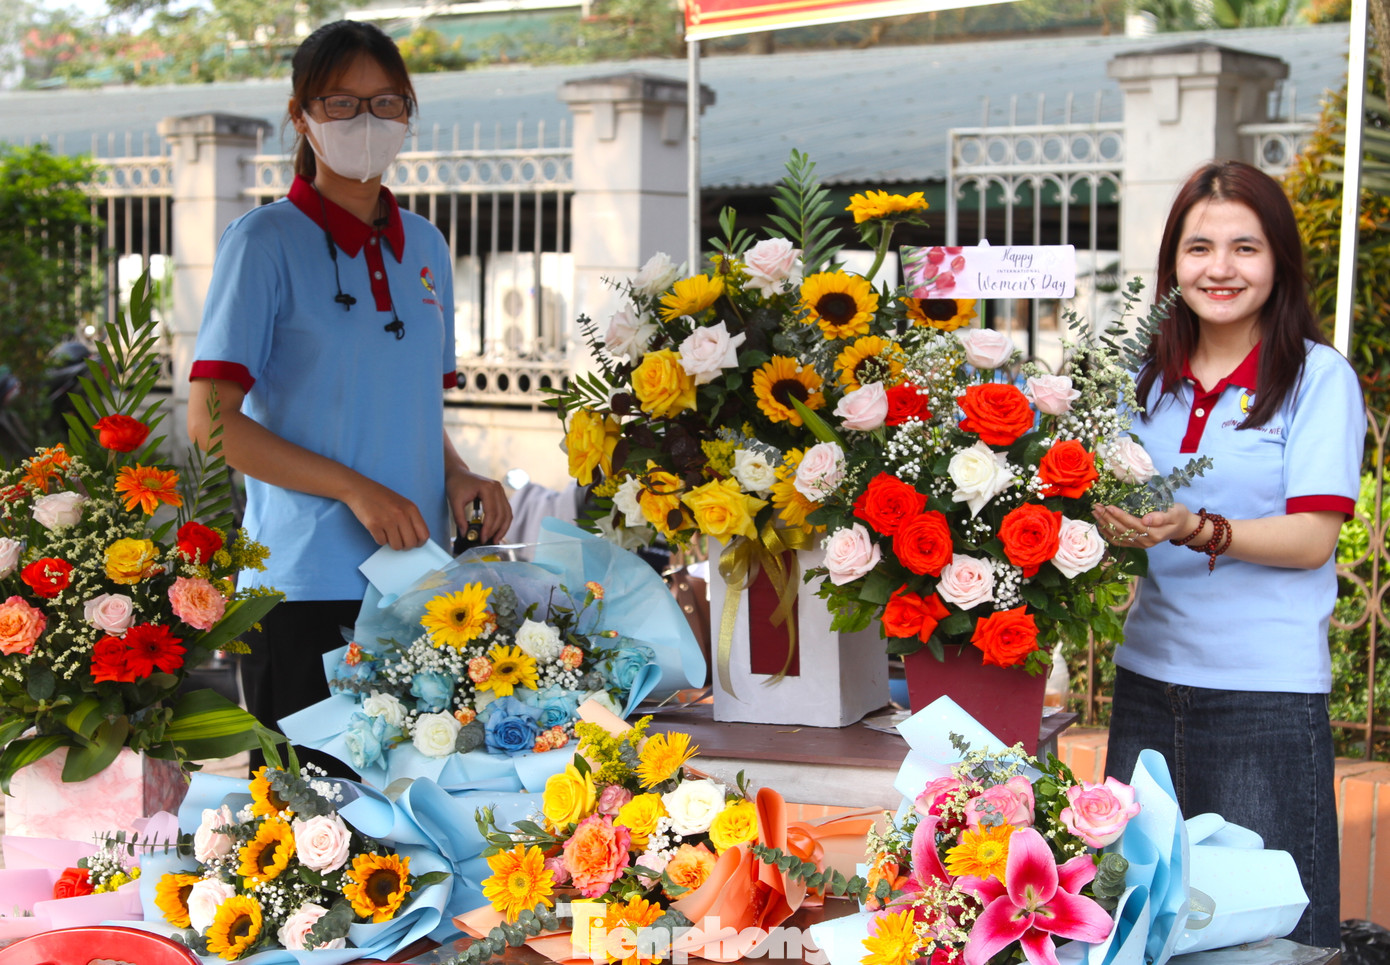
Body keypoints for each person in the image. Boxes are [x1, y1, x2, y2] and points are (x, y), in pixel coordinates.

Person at [186, 20, 512, 771]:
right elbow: (214, 424)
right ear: (301, 115)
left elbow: (407, 405)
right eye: (342, 104)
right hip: (303, 587)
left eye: (386, 102)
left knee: (418, 811)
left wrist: (457, 471)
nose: (368, 122)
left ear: (408, 113)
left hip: (420, 585)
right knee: (318, 830)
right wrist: (355, 489)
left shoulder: (425, 247)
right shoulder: (262, 242)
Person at [1093, 159, 1364, 949]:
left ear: (1279, 260)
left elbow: (1314, 538)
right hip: (1146, 684)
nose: (1220, 268)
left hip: (1264, 701)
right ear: (1172, 262)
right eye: (1199, 246)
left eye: (1245, 247)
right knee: (1140, 927)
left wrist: (1196, 526)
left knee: (1269, 941)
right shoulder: (1142, 381)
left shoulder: (1315, 377)